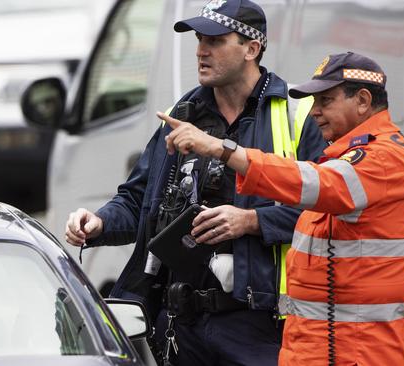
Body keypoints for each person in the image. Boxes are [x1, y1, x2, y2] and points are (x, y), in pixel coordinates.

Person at [66, 0, 326, 364]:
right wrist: (99, 223)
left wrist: (250, 222)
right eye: (199, 39)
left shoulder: (299, 115)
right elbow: (138, 200)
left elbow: (329, 213)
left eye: (216, 40)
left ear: (252, 48)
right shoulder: (182, 115)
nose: (202, 50)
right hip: (182, 325)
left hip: (262, 327)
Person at [160, 51, 404, 365]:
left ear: (362, 100)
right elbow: (396, 260)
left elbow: (309, 182)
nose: (315, 111)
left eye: (326, 101)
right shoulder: (351, 158)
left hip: (354, 353)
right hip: (318, 350)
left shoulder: (382, 159)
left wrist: (222, 149)